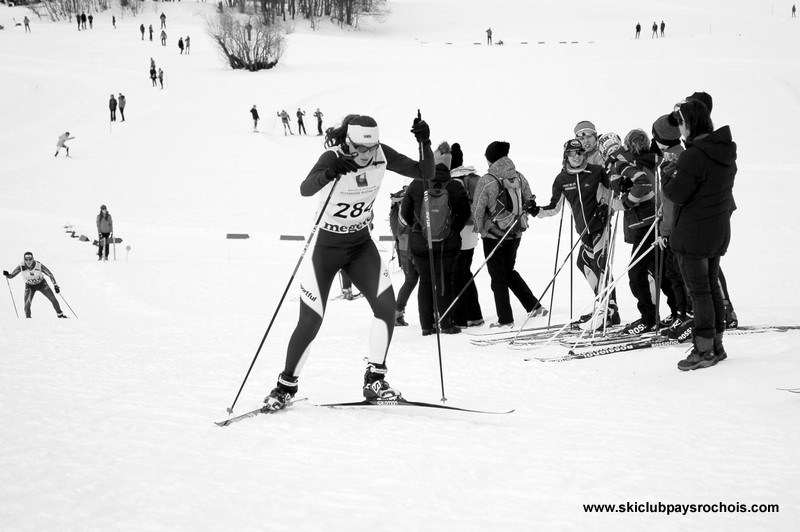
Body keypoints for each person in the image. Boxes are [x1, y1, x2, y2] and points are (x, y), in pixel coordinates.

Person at [262, 113, 434, 411]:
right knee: (311, 320)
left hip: (359, 246)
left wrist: (425, 142)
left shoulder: (382, 155)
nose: (366, 155)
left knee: (386, 307)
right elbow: (306, 188)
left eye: (371, 148)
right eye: (359, 148)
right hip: (326, 247)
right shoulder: (332, 157)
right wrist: (330, 173)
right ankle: (285, 386)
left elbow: (425, 173)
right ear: (348, 141)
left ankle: (375, 379)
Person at [662, 99, 736, 370]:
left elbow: (678, 194)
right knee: (710, 287)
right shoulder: (722, 150)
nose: (679, 129)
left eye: (681, 123)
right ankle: (716, 345)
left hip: (694, 233)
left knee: (699, 292)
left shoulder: (695, 154)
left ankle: (704, 350)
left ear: (690, 123)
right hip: (716, 230)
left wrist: (667, 175)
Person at [537, 139, 619, 327]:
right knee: (584, 263)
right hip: (583, 229)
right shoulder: (562, 179)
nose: (577, 156)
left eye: (580, 152)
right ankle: (602, 304)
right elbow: (554, 207)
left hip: (600, 225)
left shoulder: (596, 172)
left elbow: (613, 194)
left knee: (600, 263)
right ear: (566, 155)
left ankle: (610, 309)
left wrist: (606, 207)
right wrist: (536, 211)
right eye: (573, 153)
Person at [400, 142, 470, 335]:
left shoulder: (416, 185)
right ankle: (446, 324)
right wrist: (452, 230)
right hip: (448, 243)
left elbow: (405, 214)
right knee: (445, 281)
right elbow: (464, 214)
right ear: (448, 165)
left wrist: (420, 228)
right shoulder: (455, 186)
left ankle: (426, 326)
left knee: (425, 281)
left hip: (421, 242)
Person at [472, 141, 544, 328]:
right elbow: (529, 200)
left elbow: (478, 209)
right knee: (508, 271)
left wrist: (482, 229)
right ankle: (534, 306)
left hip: (494, 235)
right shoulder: (519, 177)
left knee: (498, 277)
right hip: (515, 233)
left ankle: (505, 320)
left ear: (490, 158)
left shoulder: (487, 180)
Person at [597, 132, 658, 335]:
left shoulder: (619, 161)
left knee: (637, 273)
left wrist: (624, 202)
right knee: (659, 271)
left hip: (646, 222)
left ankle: (650, 318)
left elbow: (642, 183)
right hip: (644, 221)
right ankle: (675, 314)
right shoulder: (619, 161)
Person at [651, 114, 690, 334]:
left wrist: (664, 231)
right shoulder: (671, 155)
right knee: (673, 274)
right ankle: (679, 314)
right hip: (672, 225)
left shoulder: (675, 159)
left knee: (678, 274)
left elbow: (673, 200)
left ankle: (685, 316)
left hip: (676, 228)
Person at [449, 143, 484, 328]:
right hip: (472, 232)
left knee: (457, 275)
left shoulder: (454, 181)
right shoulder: (470, 177)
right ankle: (475, 315)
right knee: (466, 272)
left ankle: (460, 319)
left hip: (459, 232)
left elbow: (456, 210)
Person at [3, 252, 67, 319]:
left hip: (42, 284)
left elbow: (49, 274)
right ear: (24, 260)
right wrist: (7, 275)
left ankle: (60, 315)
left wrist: (55, 285)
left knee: (53, 299)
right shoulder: (21, 266)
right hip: (30, 286)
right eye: (26, 259)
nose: (28, 261)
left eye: (30, 259)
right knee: (27, 304)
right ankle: (28, 320)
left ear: (33, 259)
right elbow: (11, 276)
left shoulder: (38, 265)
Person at [388, 186, 418, 326]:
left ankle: (396, 313)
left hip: (403, 245)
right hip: (414, 245)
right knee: (426, 281)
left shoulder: (396, 203)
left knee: (410, 280)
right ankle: (432, 316)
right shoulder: (409, 201)